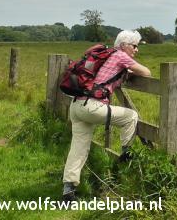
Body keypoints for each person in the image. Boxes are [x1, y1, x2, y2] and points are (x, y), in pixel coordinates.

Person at [62, 30, 151, 202]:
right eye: (134, 46)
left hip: (77, 106)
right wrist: (130, 69)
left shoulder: (107, 55)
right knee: (131, 116)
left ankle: (68, 192)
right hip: (92, 107)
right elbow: (146, 72)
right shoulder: (120, 56)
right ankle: (126, 156)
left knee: (78, 148)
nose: (136, 50)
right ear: (124, 45)